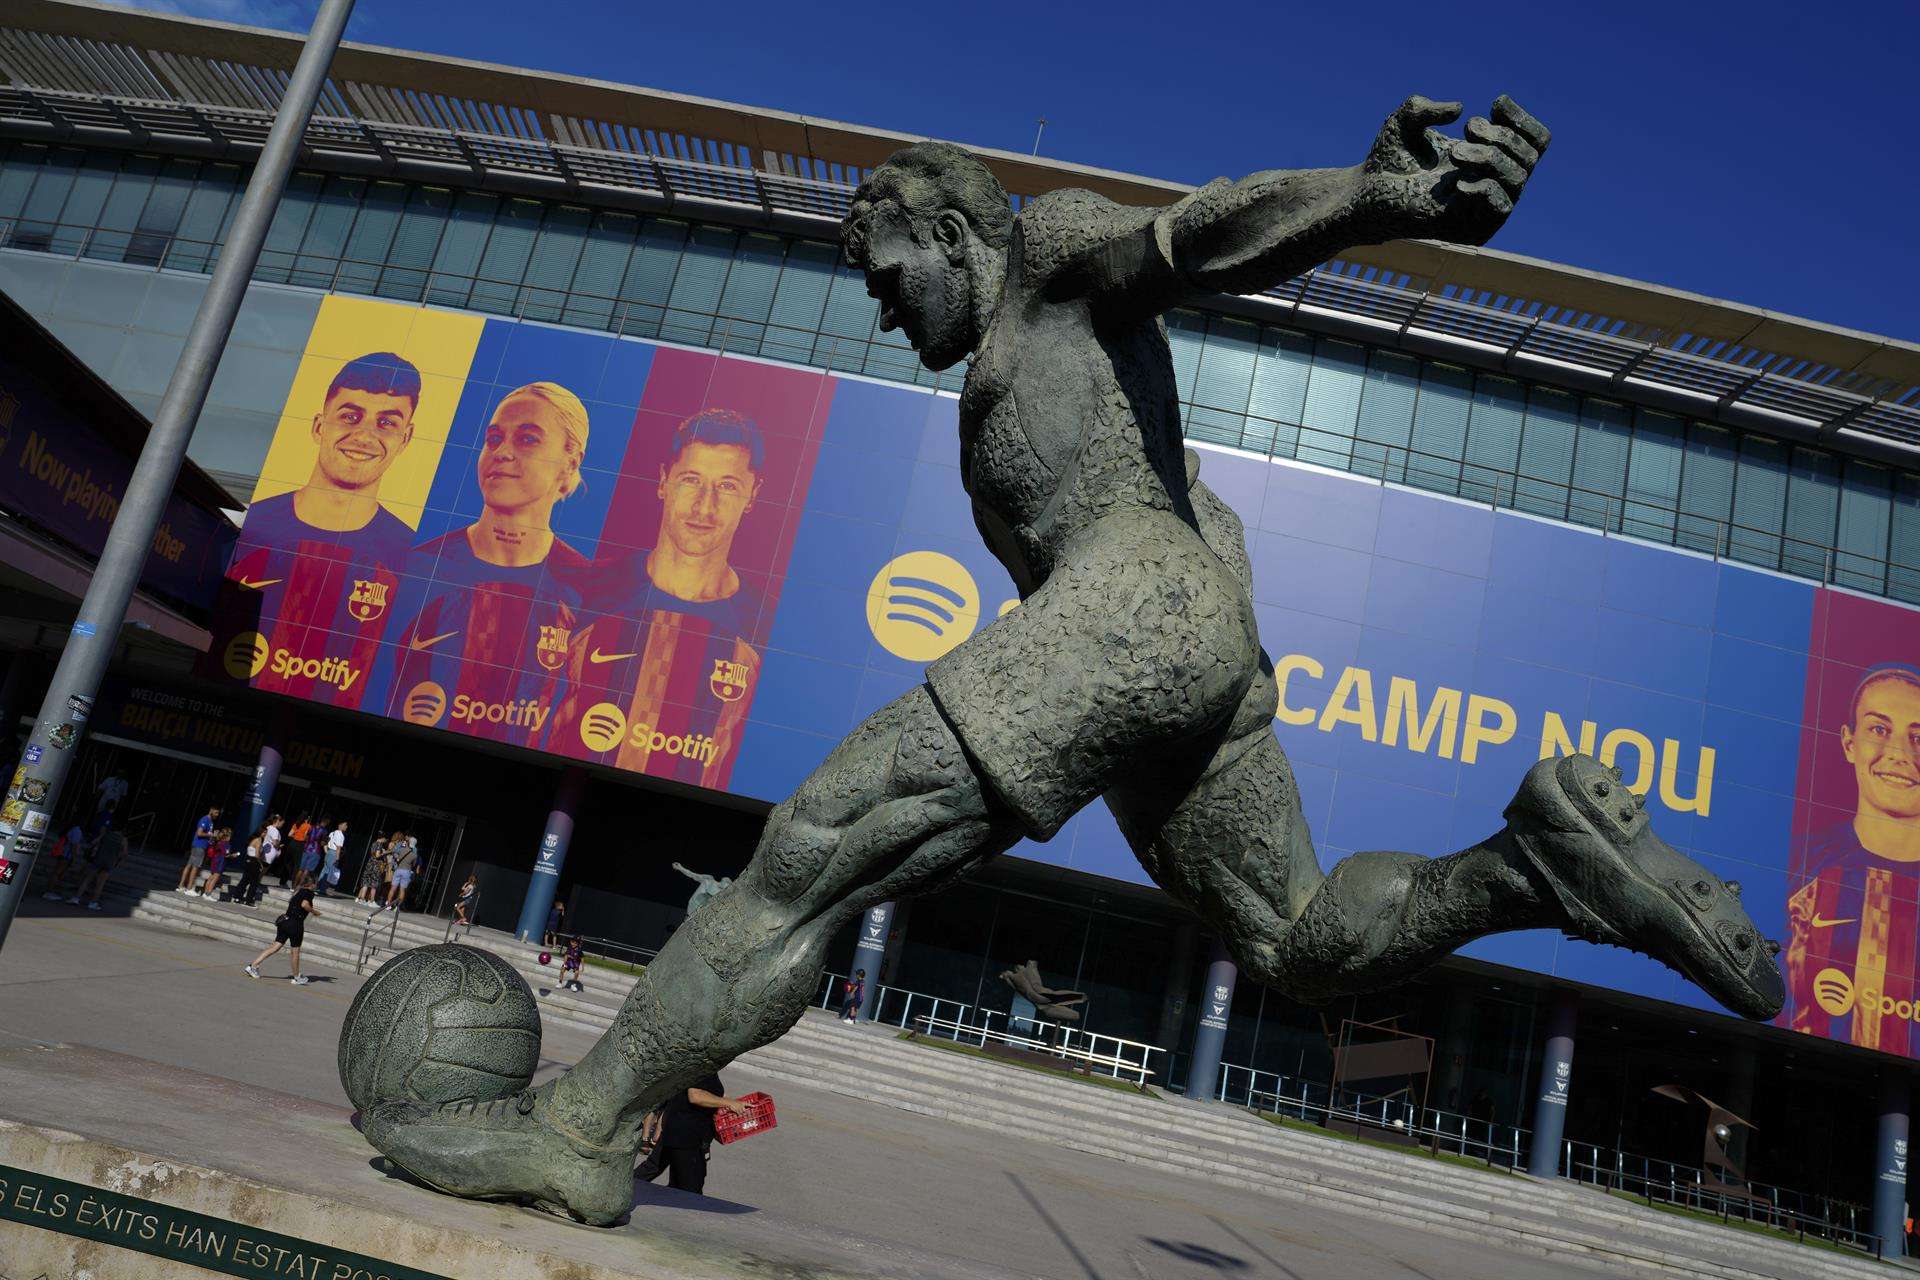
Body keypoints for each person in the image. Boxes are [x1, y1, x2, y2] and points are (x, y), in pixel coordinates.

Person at [363, 101, 1781, 1228]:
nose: (878, 305)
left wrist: (1366, 199)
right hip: (1187, 646)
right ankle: (1523, 870)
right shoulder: (1018, 379)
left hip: (1133, 620)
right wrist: (1214, 654)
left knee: (816, 845)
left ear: (953, 231)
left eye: (885, 271)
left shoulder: (1042, 261)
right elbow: (1197, 515)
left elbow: (1195, 238)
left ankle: (579, 1131)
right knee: (1292, 940)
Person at [367, 382, 593, 750]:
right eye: (494, 438)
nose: (502, 452)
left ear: (570, 463)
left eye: (528, 439)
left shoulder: (588, 590)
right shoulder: (416, 567)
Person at [553, 411, 767, 784]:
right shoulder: (585, 589)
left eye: (728, 486)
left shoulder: (763, 625)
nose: (705, 506)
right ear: (664, 481)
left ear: (753, 495)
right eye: (691, 480)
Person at [218, 354, 424, 710]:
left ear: (405, 439)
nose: (364, 435)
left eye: (386, 423)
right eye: (350, 416)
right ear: (319, 426)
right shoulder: (254, 525)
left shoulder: (410, 555)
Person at [1787, 663, 1920, 1054]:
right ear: (1849, 743)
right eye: (1879, 729)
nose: (1899, 753)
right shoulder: (1798, 863)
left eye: (1919, 737)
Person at [633, 1072, 749, 1195]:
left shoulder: (708, 1069)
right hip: (686, 1136)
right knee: (691, 1190)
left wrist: (734, 1102)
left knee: (655, 1170)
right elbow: (695, 1095)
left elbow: (708, 1093)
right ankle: (618, 1192)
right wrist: (729, 1103)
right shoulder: (703, 1068)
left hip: (678, 1131)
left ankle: (619, 1189)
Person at [247, 879, 317, 985]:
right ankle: (297, 977)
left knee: (275, 946)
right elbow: (304, 905)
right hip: (295, 924)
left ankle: (253, 966)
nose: (316, 886)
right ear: (311, 884)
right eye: (316, 883)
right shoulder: (308, 893)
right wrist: (314, 911)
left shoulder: (297, 891)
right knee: (295, 952)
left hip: (285, 921)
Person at [70, 827, 129, 911]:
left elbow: (94, 842)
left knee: (87, 880)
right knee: (100, 884)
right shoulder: (123, 839)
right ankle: (93, 903)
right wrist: (116, 859)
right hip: (109, 862)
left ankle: (76, 898)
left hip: (98, 859)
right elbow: (124, 853)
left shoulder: (106, 835)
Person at [176, 805, 219, 894]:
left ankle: (181, 886)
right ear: (211, 810)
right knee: (195, 867)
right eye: (215, 812)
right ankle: (189, 888)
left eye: (218, 813)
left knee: (189, 865)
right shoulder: (205, 820)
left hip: (202, 846)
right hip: (199, 846)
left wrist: (212, 838)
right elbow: (199, 833)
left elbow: (207, 834)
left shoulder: (211, 822)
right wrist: (211, 835)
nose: (217, 815)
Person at [358, 830, 395, 906]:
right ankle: (371, 901)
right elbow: (377, 855)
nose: (385, 841)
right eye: (385, 839)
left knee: (366, 882)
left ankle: (361, 899)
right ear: (383, 838)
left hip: (369, 864)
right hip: (375, 865)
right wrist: (385, 852)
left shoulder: (374, 843)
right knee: (374, 884)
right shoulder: (379, 845)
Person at [233, 827, 267, 906]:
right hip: (254, 861)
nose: (265, 834)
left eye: (266, 833)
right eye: (264, 832)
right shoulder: (258, 840)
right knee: (254, 882)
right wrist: (261, 864)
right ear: (260, 832)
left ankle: (237, 897)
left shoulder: (254, 839)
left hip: (248, 860)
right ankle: (249, 900)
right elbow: (257, 854)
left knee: (245, 880)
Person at [384, 829, 416, 912]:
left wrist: (397, 858)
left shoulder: (402, 847)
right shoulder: (415, 852)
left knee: (393, 888)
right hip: (407, 871)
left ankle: (388, 905)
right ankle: (397, 907)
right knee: (402, 890)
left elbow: (394, 852)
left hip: (398, 869)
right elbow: (414, 864)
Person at [195, 825, 231, 898]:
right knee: (214, 879)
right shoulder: (226, 844)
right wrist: (233, 855)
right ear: (227, 836)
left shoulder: (218, 842)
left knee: (211, 878)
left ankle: (205, 893)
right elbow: (226, 854)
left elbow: (211, 843)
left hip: (214, 860)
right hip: (221, 862)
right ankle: (208, 894)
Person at [282, 815, 311, 889]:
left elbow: (289, 834)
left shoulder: (296, 824)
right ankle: (293, 885)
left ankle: (282, 881)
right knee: (297, 865)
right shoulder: (308, 826)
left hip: (292, 843)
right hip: (300, 845)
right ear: (306, 819)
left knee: (289, 863)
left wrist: (296, 836)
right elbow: (305, 837)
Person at [320, 820, 347, 896]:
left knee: (324, 870)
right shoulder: (340, 835)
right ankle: (323, 889)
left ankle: (319, 887)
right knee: (329, 872)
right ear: (340, 825)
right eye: (345, 825)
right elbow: (338, 848)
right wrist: (337, 858)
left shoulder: (332, 833)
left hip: (329, 852)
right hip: (334, 853)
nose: (346, 827)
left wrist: (326, 852)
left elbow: (325, 843)